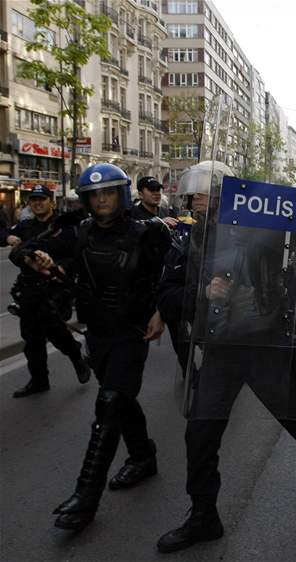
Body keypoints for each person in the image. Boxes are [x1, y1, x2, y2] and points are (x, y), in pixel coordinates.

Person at [156, 162, 296, 554]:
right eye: (190, 193)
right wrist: (202, 296)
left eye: (201, 191)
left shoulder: (262, 232)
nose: (193, 198)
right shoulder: (190, 240)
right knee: (200, 434)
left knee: (294, 415)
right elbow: (168, 293)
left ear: (222, 191)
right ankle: (203, 517)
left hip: (263, 345)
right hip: (219, 351)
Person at [19, 164, 171, 531]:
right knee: (120, 398)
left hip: (131, 333)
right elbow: (28, 250)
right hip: (97, 334)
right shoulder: (80, 231)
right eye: (94, 194)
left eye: (108, 193)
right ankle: (142, 456)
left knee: (109, 403)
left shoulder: (149, 232)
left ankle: (86, 499)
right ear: (86, 199)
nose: (101, 200)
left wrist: (162, 312)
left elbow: (174, 273)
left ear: (120, 195)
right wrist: (38, 259)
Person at [3, 185, 90, 398]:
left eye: (42, 199)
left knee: (55, 331)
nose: (37, 203)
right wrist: (11, 242)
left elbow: (76, 255)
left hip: (54, 288)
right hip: (30, 289)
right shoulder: (25, 226)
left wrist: (58, 268)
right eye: (33, 200)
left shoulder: (65, 225)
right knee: (31, 338)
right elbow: (10, 244)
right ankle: (39, 380)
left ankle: (76, 356)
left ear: (51, 202)